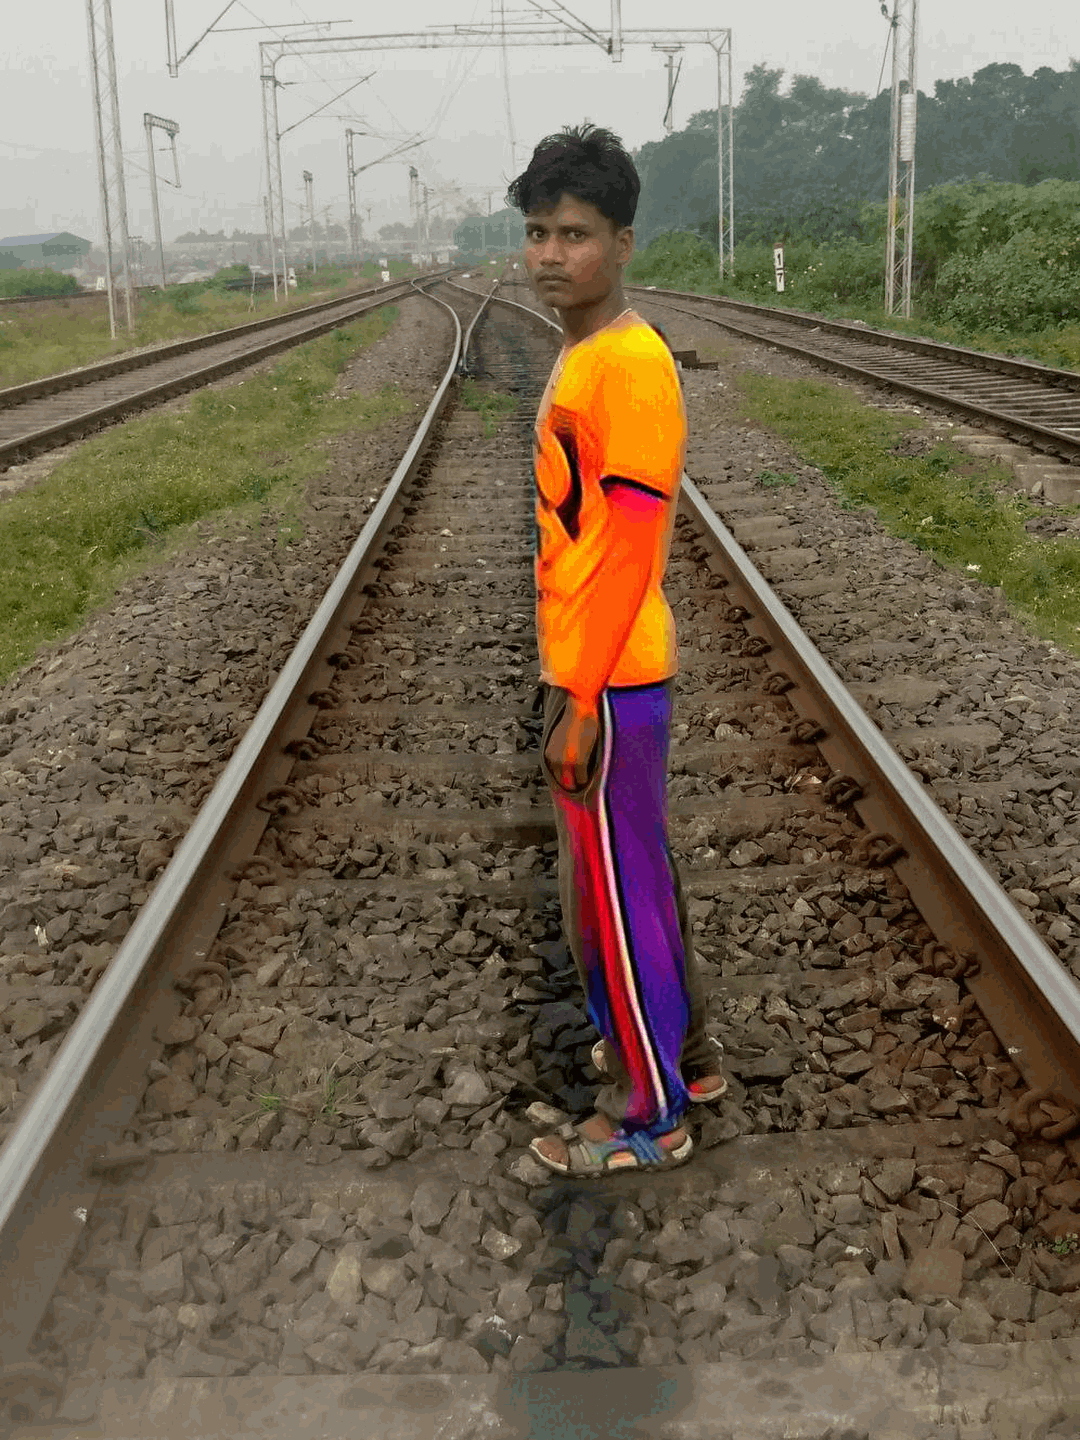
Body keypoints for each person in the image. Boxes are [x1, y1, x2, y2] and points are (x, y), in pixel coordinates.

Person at [506, 123, 727, 1177]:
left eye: (576, 234)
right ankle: (681, 1056)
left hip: (614, 676)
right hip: (601, 668)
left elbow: (631, 547)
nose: (552, 255)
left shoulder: (628, 367)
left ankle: (651, 1114)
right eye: (539, 233)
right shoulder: (587, 351)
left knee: (617, 898)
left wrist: (582, 697)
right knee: (630, 878)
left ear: (624, 243)